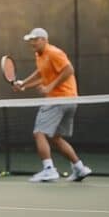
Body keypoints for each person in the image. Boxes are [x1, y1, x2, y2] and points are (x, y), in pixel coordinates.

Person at [12, 27, 92, 182]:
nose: (32, 43)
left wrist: (50, 87)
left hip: (59, 99)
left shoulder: (54, 52)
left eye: (35, 40)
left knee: (39, 132)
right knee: (55, 138)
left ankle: (49, 169)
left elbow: (69, 69)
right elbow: (41, 73)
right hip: (70, 100)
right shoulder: (40, 56)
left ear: (44, 39)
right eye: (30, 40)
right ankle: (79, 168)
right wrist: (23, 84)